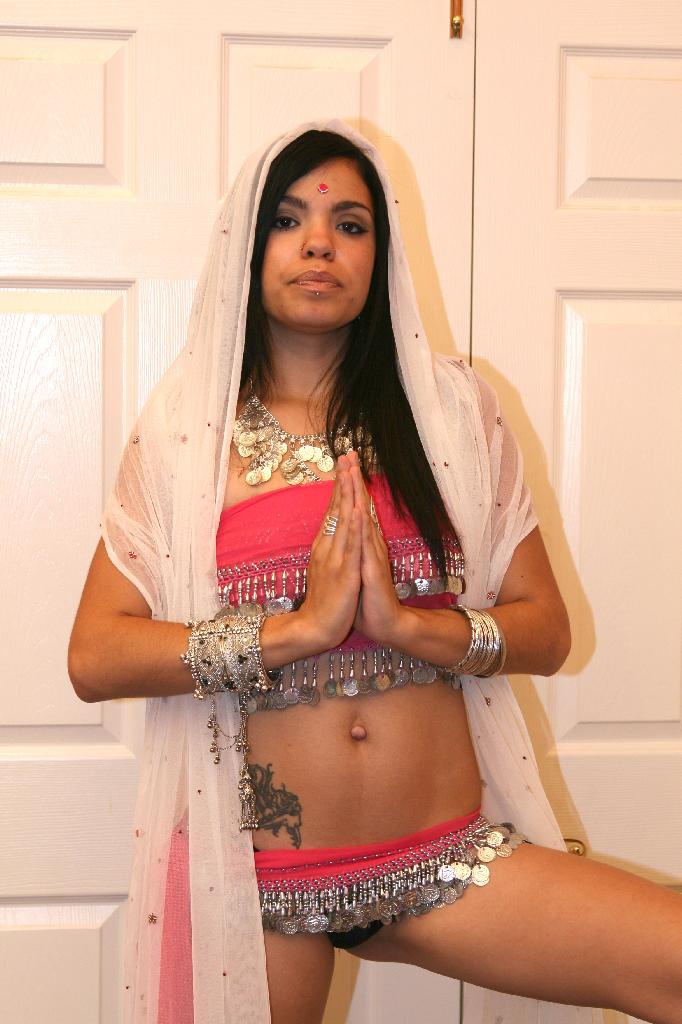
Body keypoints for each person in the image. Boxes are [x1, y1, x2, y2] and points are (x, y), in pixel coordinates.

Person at [68, 120, 682, 1024]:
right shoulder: (186, 436)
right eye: (289, 220)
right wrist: (294, 632)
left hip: (440, 858)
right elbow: (95, 655)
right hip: (257, 876)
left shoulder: (451, 412)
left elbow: (547, 630)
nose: (319, 243)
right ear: (247, 248)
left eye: (350, 224)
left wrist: (412, 627)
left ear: (378, 256)